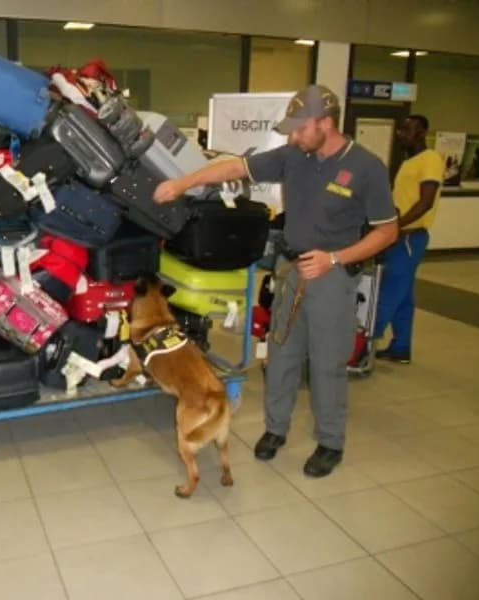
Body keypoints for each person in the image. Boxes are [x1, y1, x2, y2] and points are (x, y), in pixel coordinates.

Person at [154, 84, 398, 477]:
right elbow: (235, 167)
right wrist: (182, 184)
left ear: (326, 123)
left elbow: (387, 231)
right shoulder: (293, 156)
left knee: (326, 365)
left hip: (333, 276)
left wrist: (334, 257)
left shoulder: (366, 167)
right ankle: (275, 429)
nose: (293, 136)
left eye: (300, 128)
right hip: (291, 270)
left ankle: (330, 442)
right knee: (281, 356)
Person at [373, 115, 443, 364]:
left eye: (407, 129)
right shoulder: (408, 162)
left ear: (422, 132)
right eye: (401, 129)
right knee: (403, 296)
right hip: (399, 235)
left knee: (390, 291)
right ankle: (400, 347)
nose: (401, 133)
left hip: (410, 238)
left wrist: (394, 226)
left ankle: (363, 344)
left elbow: (425, 203)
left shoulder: (431, 159)